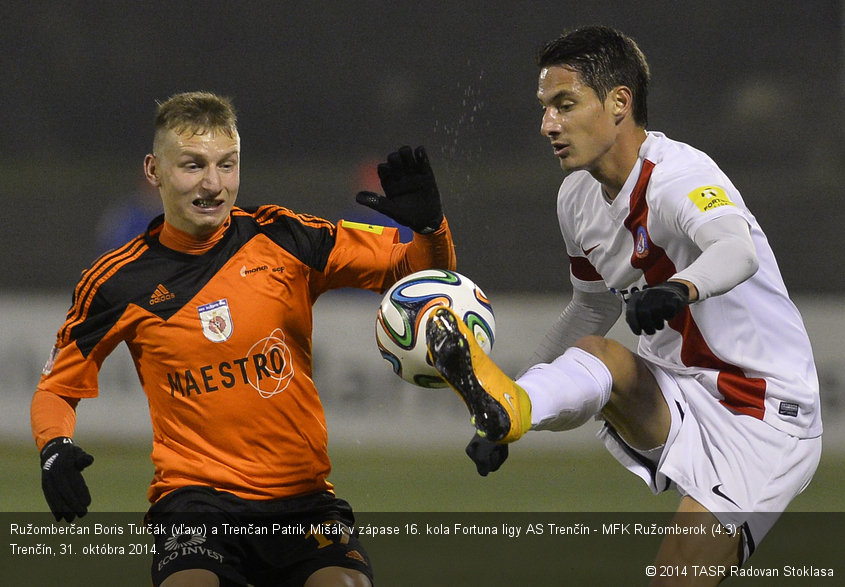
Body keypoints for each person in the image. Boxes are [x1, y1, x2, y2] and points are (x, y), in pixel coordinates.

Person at [426, 26, 821, 585]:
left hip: (761, 409)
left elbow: (736, 250)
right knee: (599, 354)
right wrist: (516, 401)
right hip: (676, 387)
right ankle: (509, 407)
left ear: (618, 103)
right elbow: (589, 309)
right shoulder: (576, 198)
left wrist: (678, 289)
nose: (548, 125)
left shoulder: (681, 176)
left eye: (565, 105)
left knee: (675, 578)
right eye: (545, 109)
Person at [31, 91, 455, 587]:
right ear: (154, 171)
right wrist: (55, 446)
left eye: (226, 166)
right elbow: (58, 386)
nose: (213, 185)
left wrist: (430, 228)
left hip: (302, 499)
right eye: (193, 166)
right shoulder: (115, 282)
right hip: (195, 503)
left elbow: (420, 273)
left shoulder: (285, 236)